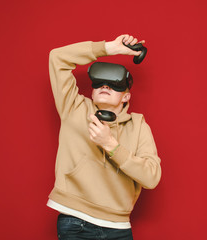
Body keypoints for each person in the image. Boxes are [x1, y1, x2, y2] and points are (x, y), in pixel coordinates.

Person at [46, 34, 162, 240]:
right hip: (75, 221)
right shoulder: (73, 107)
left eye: (114, 84)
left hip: (118, 227)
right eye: (99, 83)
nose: (105, 86)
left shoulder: (138, 126)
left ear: (126, 96)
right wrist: (109, 48)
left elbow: (151, 177)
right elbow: (57, 58)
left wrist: (111, 145)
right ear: (92, 91)